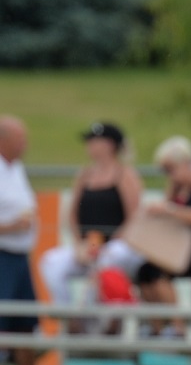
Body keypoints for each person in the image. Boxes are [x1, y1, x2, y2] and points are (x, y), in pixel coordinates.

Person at [38, 123, 145, 311]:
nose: (89, 145)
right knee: (51, 261)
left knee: (105, 262)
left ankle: (92, 320)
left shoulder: (125, 175)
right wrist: (80, 244)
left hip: (119, 245)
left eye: (94, 141)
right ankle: (67, 316)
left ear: (109, 145)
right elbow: (72, 214)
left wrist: (109, 243)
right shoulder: (85, 175)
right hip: (89, 245)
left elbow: (134, 217)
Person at [135, 136, 191, 334]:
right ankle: (157, 325)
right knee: (144, 271)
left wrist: (170, 210)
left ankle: (178, 326)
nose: (169, 175)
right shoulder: (176, 186)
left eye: (170, 169)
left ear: (185, 163)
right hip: (183, 247)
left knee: (159, 271)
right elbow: (167, 211)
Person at [0, 116, 40, 365]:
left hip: (20, 255)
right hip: (2, 255)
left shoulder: (16, 168)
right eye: (20, 139)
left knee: (25, 321)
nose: (25, 144)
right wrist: (12, 226)